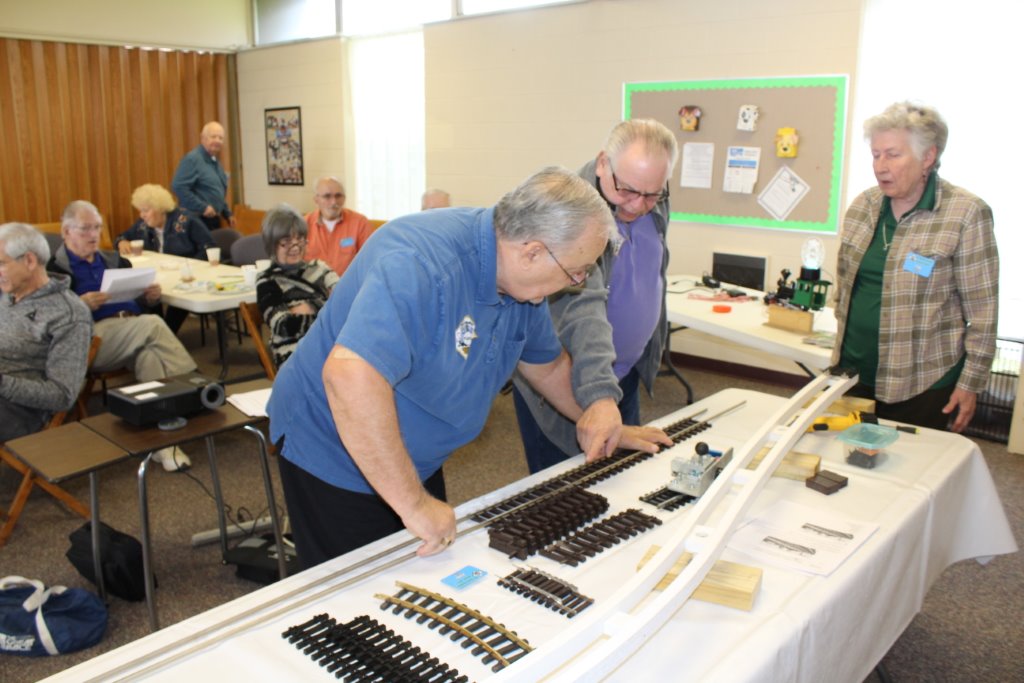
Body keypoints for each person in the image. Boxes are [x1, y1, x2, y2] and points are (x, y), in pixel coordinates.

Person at [267, 166, 671, 569]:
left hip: (409, 449)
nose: (576, 282)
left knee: (421, 566)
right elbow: (349, 376)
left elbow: (547, 368)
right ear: (532, 252)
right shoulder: (419, 263)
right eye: (575, 272)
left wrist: (602, 420)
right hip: (333, 448)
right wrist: (413, 503)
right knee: (358, 589)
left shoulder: (521, 282)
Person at [512, 119, 680, 474]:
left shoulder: (650, 197)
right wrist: (600, 395)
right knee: (565, 488)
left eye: (652, 194)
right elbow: (582, 308)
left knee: (622, 478)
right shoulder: (573, 213)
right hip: (572, 379)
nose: (639, 205)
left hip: (622, 373)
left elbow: (654, 271)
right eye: (628, 191)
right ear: (604, 163)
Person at [833, 102, 998, 432]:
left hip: (921, 384)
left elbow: (983, 313)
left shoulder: (965, 213)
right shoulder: (863, 206)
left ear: (927, 157)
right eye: (875, 155)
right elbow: (845, 289)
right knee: (849, 456)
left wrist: (970, 383)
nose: (880, 166)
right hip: (852, 374)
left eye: (893, 155)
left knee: (909, 464)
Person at [48, 201, 199, 470]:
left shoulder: (116, 261)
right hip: (92, 339)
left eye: (97, 228)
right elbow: (51, 320)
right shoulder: (54, 271)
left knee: (150, 356)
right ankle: (194, 385)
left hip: (133, 329)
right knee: (153, 325)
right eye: (85, 229)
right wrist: (81, 305)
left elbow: (141, 303)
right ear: (66, 231)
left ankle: (162, 446)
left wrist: (149, 298)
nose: (94, 234)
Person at [0, 223, 93, 443]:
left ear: (29, 261)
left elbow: (62, 396)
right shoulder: (8, 295)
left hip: (21, 411)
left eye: (1, 263)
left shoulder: (69, 314)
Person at [115, 183, 216, 332]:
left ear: (160, 208)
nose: (142, 215)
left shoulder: (186, 220)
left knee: (177, 292)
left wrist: (190, 265)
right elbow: (122, 236)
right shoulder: (143, 225)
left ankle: (167, 331)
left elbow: (209, 247)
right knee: (148, 291)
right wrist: (121, 242)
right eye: (140, 211)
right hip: (160, 275)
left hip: (187, 276)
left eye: (145, 210)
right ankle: (159, 330)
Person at [256, 204, 339, 368]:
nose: (295, 246)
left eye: (300, 238)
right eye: (286, 241)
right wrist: (327, 307)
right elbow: (282, 325)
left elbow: (345, 301)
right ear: (272, 244)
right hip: (294, 357)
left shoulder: (320, 268)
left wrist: (310, 307)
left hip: (330, 348)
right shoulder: (267, 281)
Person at [172, 121, 235, 232]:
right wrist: (203, 207)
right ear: (203, 138)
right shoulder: (192, 159)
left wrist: (227, 213)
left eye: (220, 138)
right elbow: (178, 187)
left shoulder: (215, 162)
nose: (217, 141)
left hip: (213, 220)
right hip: (197, 220)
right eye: (213, 137)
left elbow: (216, 192)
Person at [304, 176, 373, 277]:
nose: (334, 202)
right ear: (316, 200)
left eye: (338, 196)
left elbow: (369, 261)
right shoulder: (303, 224)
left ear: (344, 198)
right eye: (327, 196)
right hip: (313, 285)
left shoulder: (360, 223)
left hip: (348, 285)